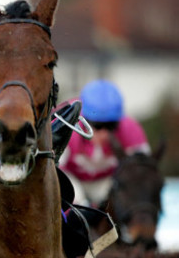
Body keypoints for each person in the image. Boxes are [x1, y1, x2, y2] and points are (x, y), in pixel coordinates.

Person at [59, 79, 150, 207]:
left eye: (111, 126)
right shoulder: (67, 126)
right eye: (98, 126)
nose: (105, 134)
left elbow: (143, 173)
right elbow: (52, 169)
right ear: (84, 118)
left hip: (107, 181)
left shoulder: (131, 130)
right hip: (72, 179)